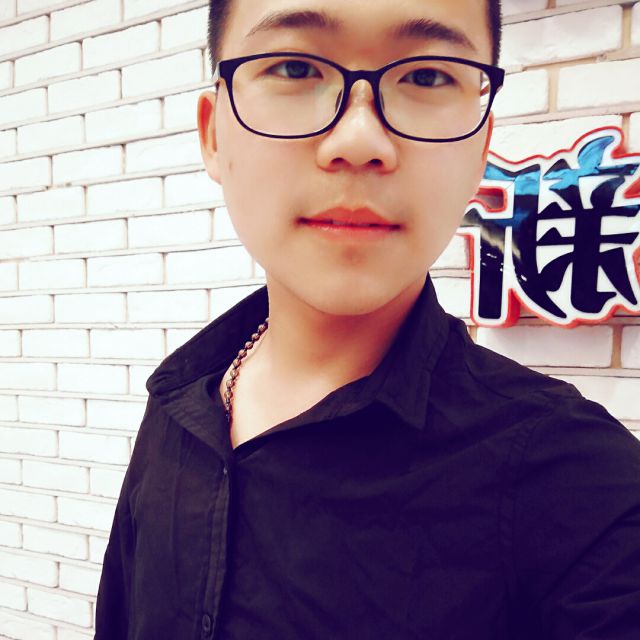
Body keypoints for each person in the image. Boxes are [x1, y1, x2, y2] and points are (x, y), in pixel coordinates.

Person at [94, 0, 640, 638]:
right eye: (295, 67)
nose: (359, 141)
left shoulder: (582, 486)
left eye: (427, 76)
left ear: (481, 148)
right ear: (215, 134)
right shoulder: (180, 400)